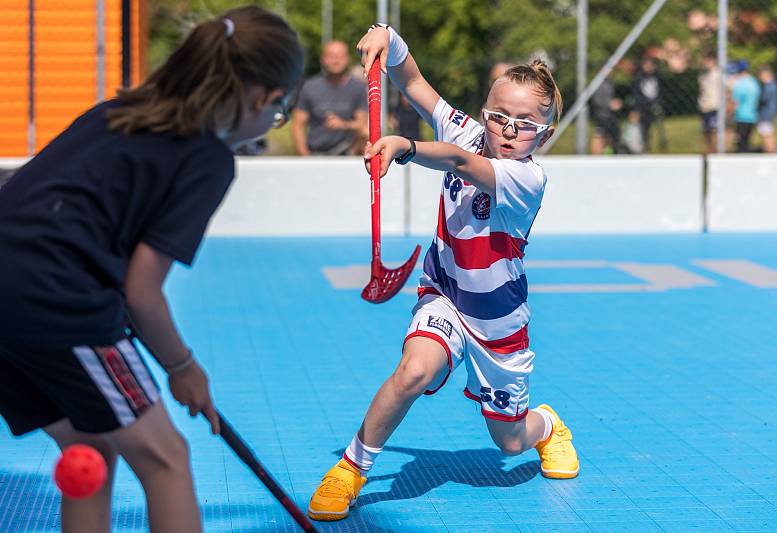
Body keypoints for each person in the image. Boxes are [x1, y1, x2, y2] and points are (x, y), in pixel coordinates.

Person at [0, 7, 303, 533]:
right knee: (166, 459)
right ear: (263, 97)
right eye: (278, 113)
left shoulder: (113, 115)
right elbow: (142, 292)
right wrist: (183, 367)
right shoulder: (206, 158)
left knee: (89, 445)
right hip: (57, 300)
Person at [307, 24, 578, 522]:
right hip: (445, 293)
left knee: (510, 440)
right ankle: (351, 469)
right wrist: (388, 39)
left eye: (525, 123)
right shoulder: (467, 131)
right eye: (500, 117)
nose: (510, 129)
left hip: (498, 321)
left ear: (545, 133)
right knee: (414, 371)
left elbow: (457, 160)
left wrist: (406, 147)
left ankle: (548, 426)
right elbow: (413, 84)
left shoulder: (526, 178)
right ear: (484, 114)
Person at [292, 40, 368, 155]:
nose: (336, 61)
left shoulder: (358, 88)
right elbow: (298, 125)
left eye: (340, 56)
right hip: (316, 153)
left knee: (366, 134)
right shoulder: (309, 87)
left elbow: (362, 125)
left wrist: (343, 125)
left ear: (348, 59)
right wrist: (305, 158)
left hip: (347, 153)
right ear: (322, 60)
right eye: (331, 56)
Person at [631, 58, 662, 152]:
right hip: (642, 107)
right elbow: (636, 94)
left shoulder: (655, 78)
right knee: (641, 129)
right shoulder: (639, 79)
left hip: (652, 107)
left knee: (648, 129)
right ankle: (640, 147)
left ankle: (647, 147)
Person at [730, 59, 760, 153]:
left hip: (741, 116)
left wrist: (729, 115)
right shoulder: (754, 82)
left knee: (740, 142)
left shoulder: (740, 84)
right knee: (747, 140)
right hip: (752, 116)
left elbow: (735, 102)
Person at [590, 77, 622, 154]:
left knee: (612, 138)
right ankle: (596, 157)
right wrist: (609, 104)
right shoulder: (599, 83)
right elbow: (596, 100)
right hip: (601, 116)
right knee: (599, 136)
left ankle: (608, 154)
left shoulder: (610, 83)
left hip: (610, 116)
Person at [697, 53, 721, 155]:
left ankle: (714, 151)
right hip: (704, 107)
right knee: (705, 130)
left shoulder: (718, 74)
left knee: (713, 130)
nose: (706, 63)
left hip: (714, 106)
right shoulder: (702, 75)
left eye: (708, 61)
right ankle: (708, 150)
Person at [757, 65, 777, 154]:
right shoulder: (773, 85)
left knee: (766, 135)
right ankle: (771, 152)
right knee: (767, 134)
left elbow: (763, 100)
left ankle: (771, 153)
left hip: (766, 115)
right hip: (768, 114)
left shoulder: (769, 86)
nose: (760, 78)